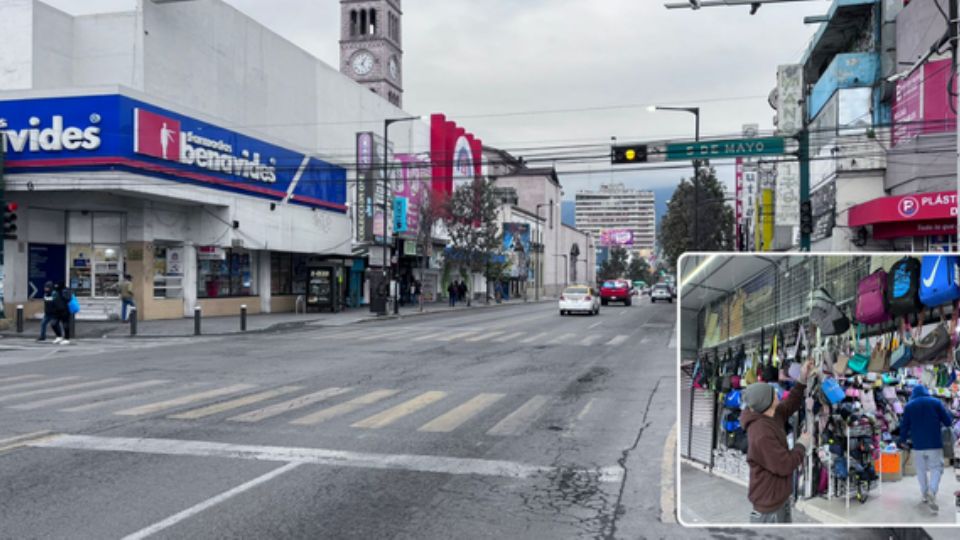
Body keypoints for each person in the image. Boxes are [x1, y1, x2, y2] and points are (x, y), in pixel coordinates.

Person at [740, 359, 813, 524]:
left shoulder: (771, 414)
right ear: (766, 402)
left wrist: (802, 378)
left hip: (779, 500)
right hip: (768, 507)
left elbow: (791, 404)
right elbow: (785, 464)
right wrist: (802, 444)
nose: (777, 393)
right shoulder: (761, 433)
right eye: (772, 394)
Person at [899, 384, 954, 513]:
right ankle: (932, 491)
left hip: (918, 444)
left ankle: (924, 494)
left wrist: (902, 440)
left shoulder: (909, 406)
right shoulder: (936, 403)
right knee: (936, 468)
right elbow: (948, 422)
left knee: (921, 470)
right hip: (934, 443)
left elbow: (904, 425)